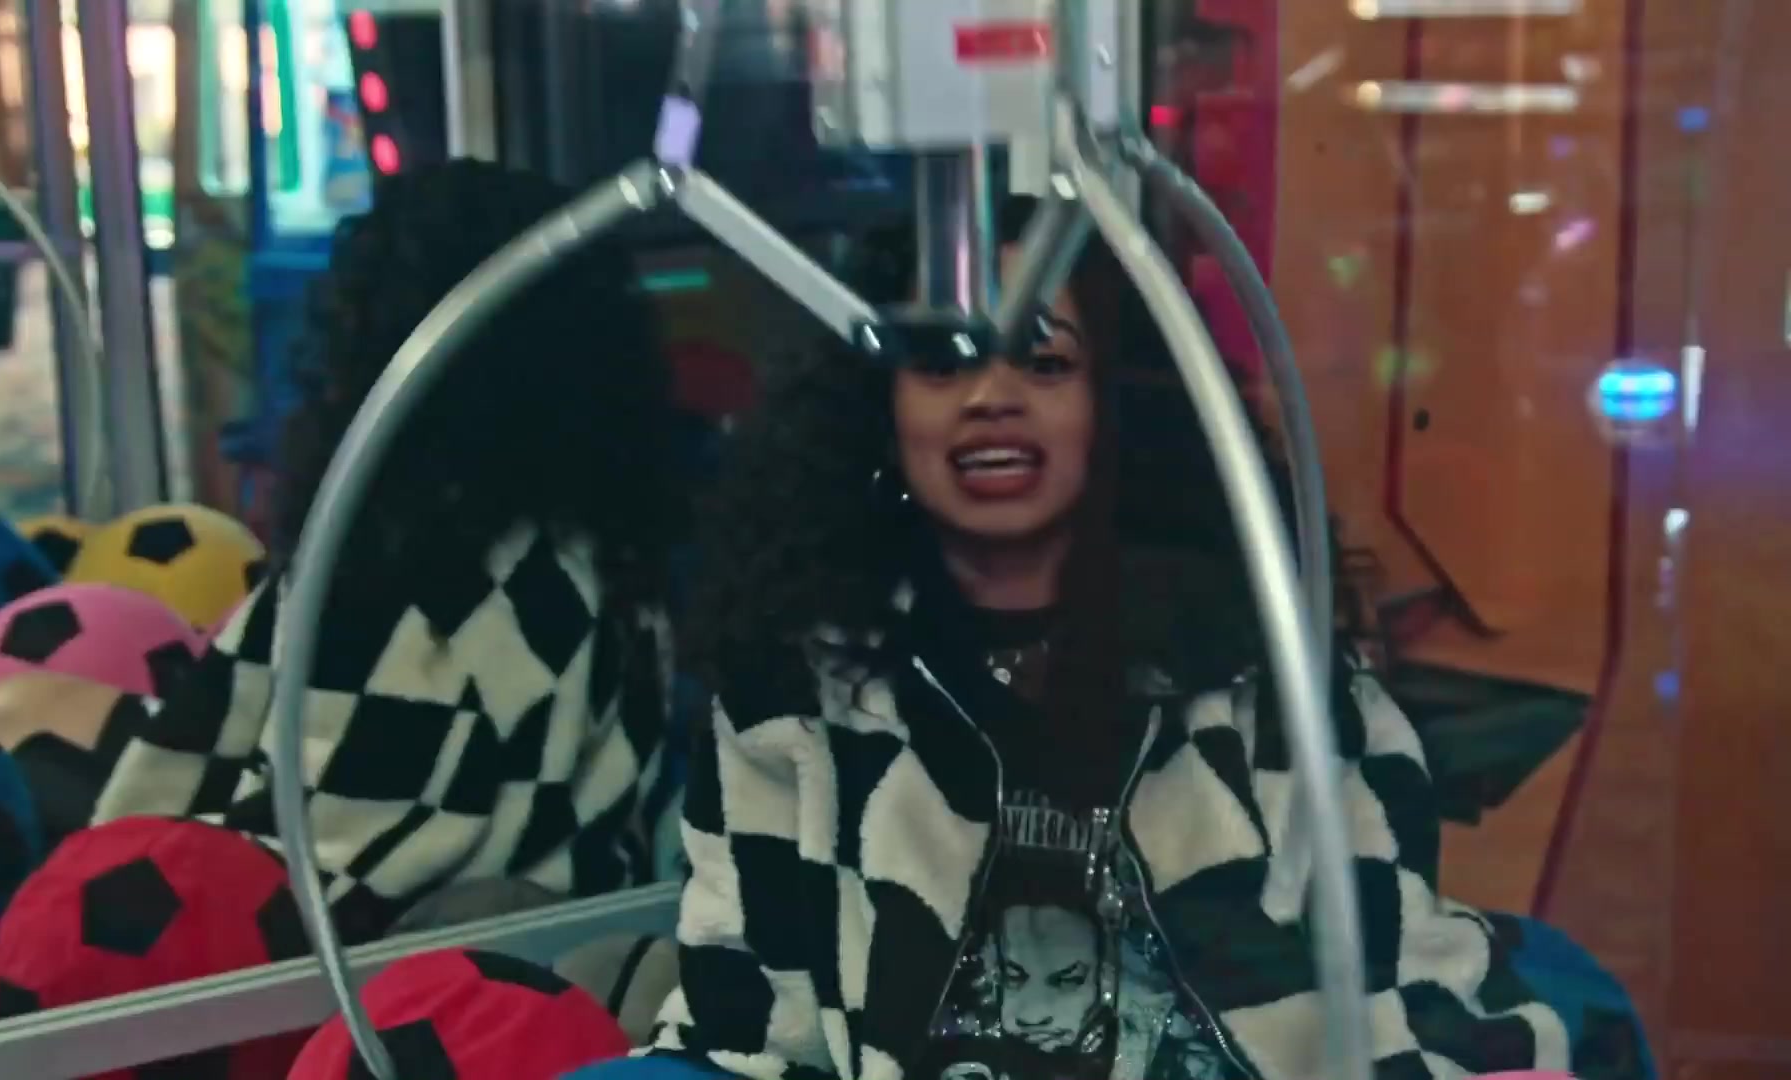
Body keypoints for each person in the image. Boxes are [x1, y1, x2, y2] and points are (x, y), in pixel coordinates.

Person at [570, 196, 1641, 1080]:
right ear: (880, 412)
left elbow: (1398, 998)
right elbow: (751, 1032)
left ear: (1113, 409)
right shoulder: (791, 696)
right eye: (943, 364)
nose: (992, 399)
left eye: (1043, 364)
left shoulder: (1270, 682)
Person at [45, 162, 680, 940]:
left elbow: (324, 874)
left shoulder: (433, 587)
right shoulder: (594, 555)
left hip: (377, 969)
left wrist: (41, 958)